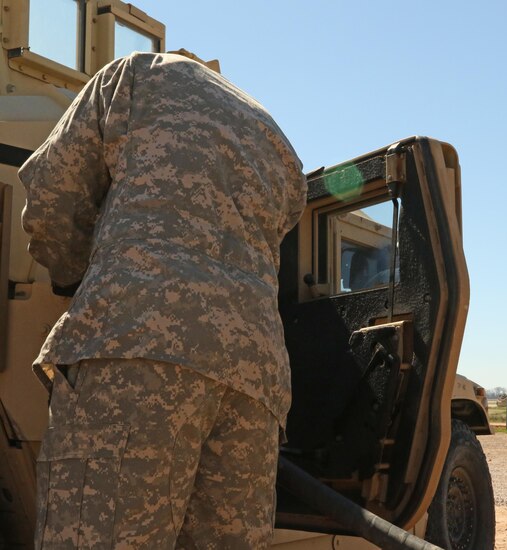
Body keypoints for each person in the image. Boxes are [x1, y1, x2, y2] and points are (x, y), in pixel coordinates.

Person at [18, 51, 306, 547]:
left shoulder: (135, 74)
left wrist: (75, 276)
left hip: (136, 345)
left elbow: (50, 199)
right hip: (255, 379)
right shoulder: (277, 140)